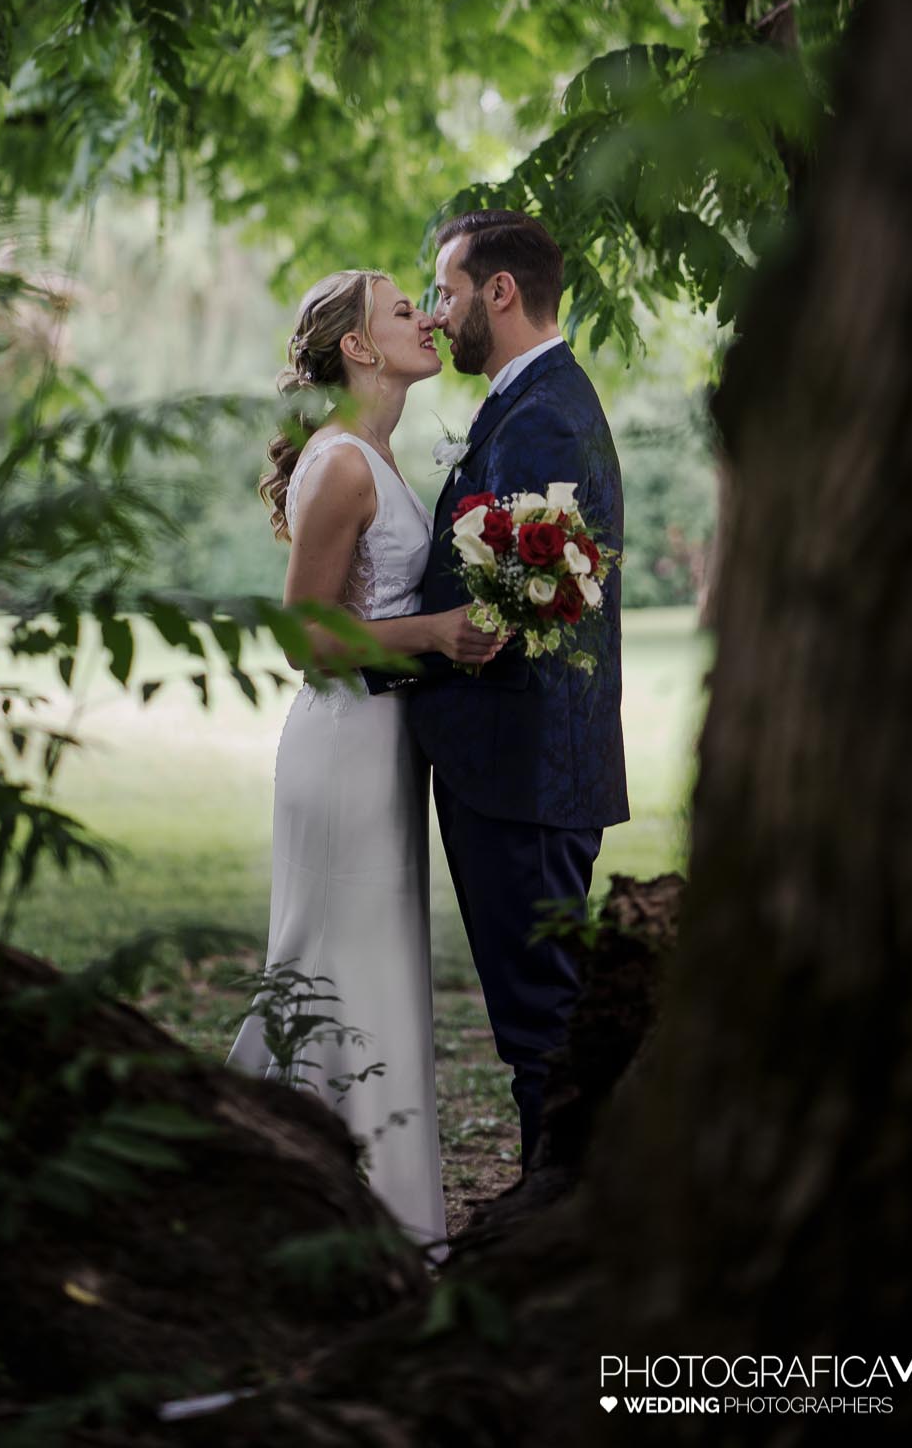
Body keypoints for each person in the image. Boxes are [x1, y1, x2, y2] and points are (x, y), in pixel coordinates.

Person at [225, 269, 502, 1259]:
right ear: (356, 346)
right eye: (402, 310)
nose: (426, 319)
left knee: (369, 968)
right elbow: (307, 636)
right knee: (331, 968)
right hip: (343, 745)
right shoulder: (341, 463)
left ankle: (352, 1204)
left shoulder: (375, 453)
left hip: (383, 742)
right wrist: (436, 629)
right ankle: (278, 1188)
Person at [402, 209, 628, 1173]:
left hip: (523, 771)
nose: (436, 313)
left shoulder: (541, 416)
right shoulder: (531, 401)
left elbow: (522, 607)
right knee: (543, 1020)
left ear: (499, 292)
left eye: (446, 293)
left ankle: (560, 1210)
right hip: (525, 769)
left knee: (542, 1028)